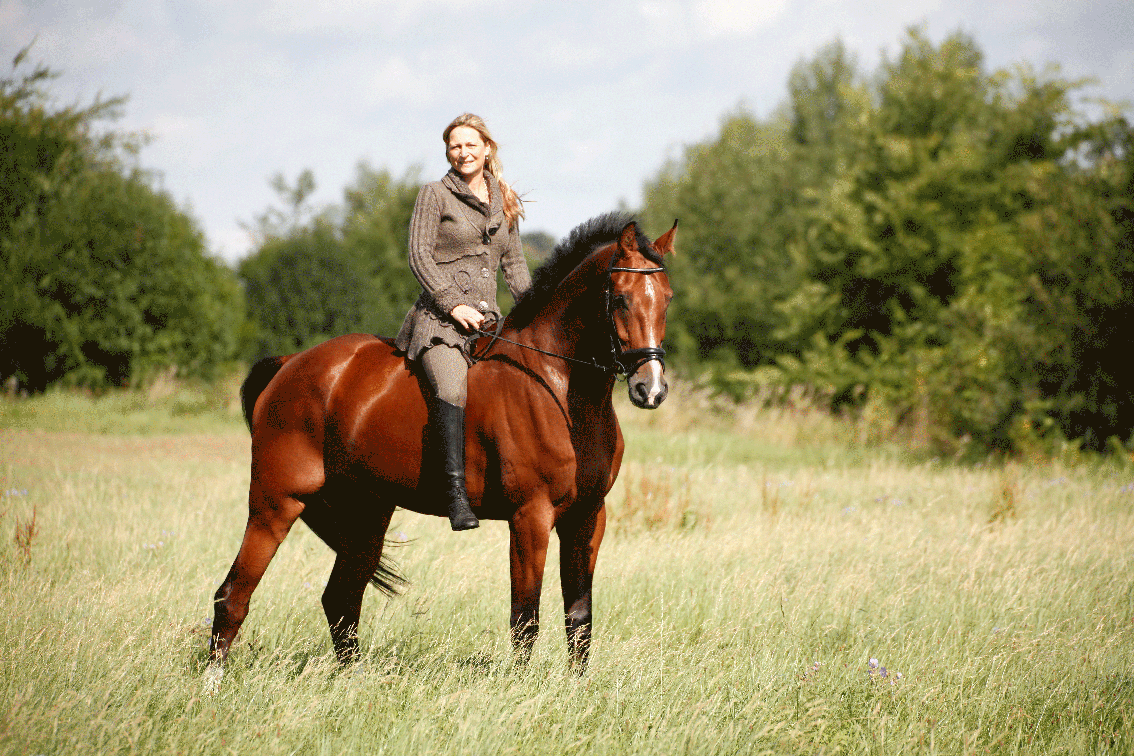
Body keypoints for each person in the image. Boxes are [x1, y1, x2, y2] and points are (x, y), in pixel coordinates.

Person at [395, 113, 532, 531]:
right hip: (440, 321)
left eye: (471, 144)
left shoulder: (503, 197)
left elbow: (515, 263)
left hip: (489, 323)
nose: (464, 152)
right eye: (455, 146)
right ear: (448, 152)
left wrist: (533, 313)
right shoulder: (434, 194)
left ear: (487, 148)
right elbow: (418, 255)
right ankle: (453, 492)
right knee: (452, 385)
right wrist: (453, 305)